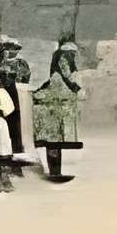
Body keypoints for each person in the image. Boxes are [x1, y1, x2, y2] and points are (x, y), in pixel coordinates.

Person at [32, 37, 84, 181]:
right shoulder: (59, 80)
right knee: (53, 143)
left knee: (54, 143)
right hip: (52, 116)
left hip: (53, 115)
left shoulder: (57, 81)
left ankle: (55, 171)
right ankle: (55, 172)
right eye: (71, 56)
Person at [0, 37, 34, 173]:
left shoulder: (20, 63)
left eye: (14, 50)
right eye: (10, 50)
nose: (12, 52)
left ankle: (16, 161)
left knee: (15, 129)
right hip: (3, 98)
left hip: (16, 97)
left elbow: (25, 78)